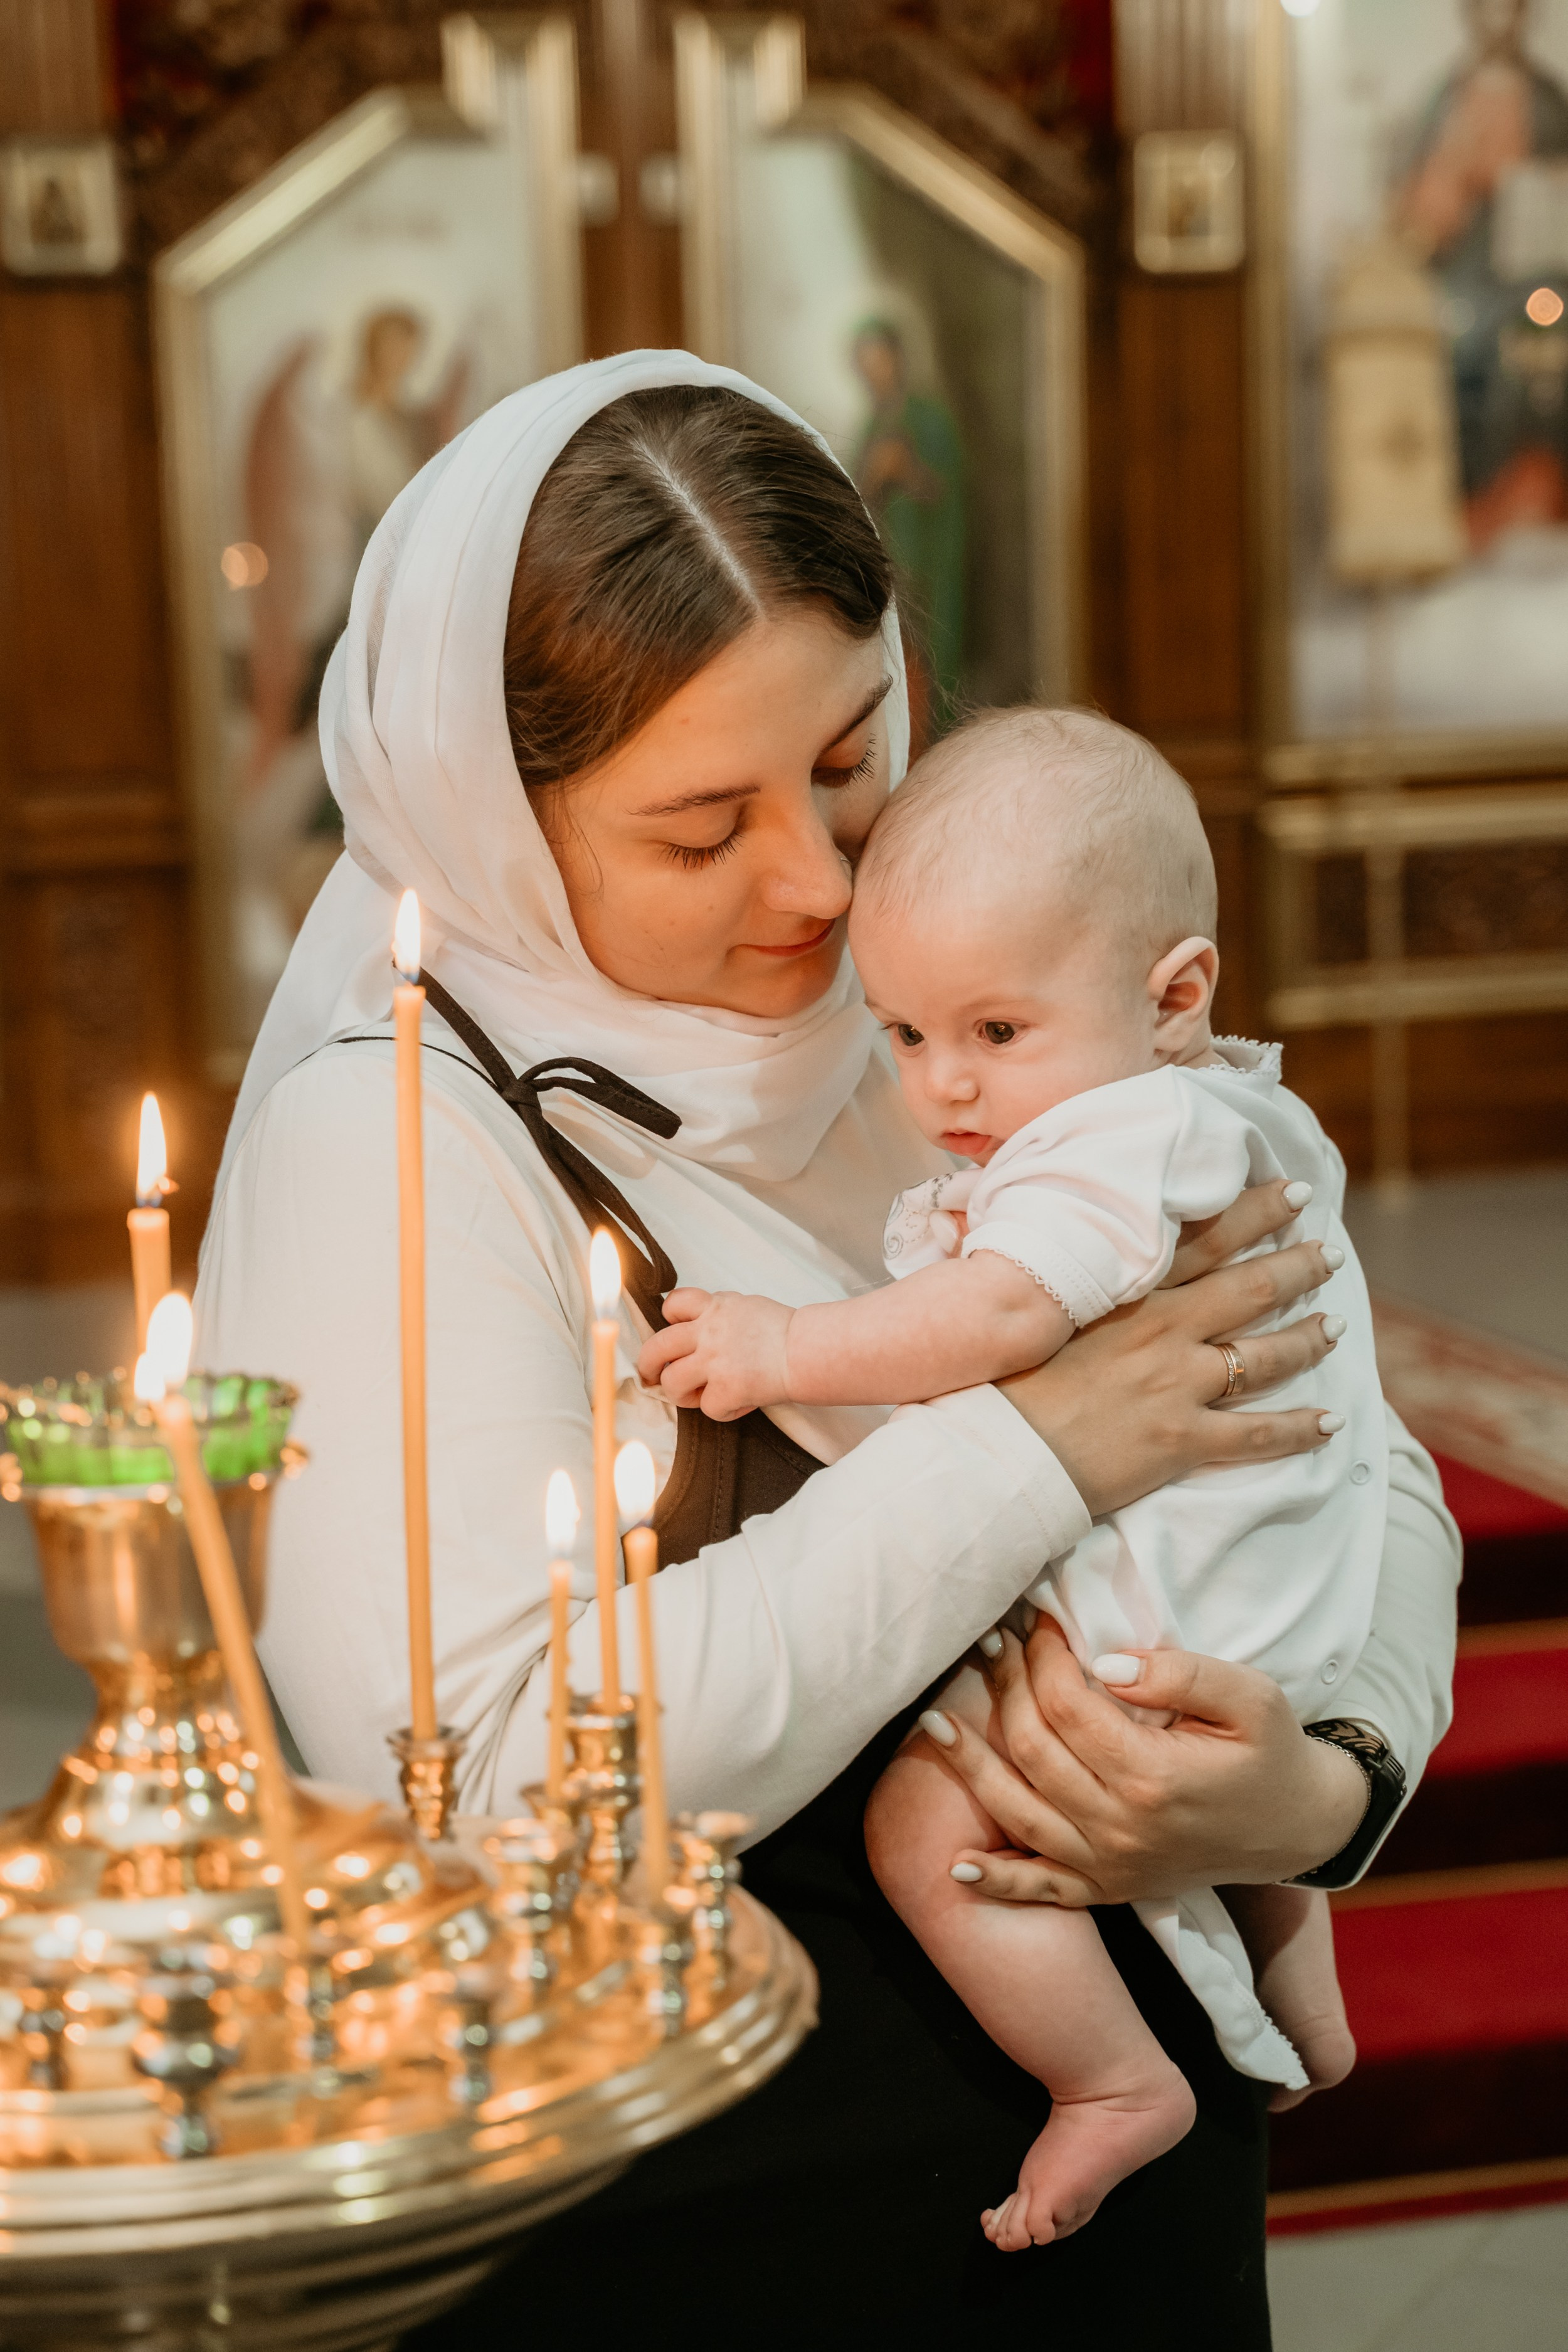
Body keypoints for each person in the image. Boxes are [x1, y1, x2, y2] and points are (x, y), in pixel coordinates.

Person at [195, 352, 1459, 2343]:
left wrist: (1320, 1781)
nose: (820, 883)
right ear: (497, 817)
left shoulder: (966, 992)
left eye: (854, 761)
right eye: (704, 831)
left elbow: (1337, 1424)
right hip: (731, 2200)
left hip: (1142, 2177)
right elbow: (488, 1768)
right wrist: (1036, 1443)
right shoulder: (395, 1143)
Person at [641, 704, 1375, 2250]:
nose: (940, 1090)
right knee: (1229, 1807)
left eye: (992, 1032)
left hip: (1162, 1619)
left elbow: (993, 1317)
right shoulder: (1217, 1112)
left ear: (1173, 995)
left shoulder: (1116, 1137)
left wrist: (783, 1348)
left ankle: (1112, 2083)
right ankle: (1294, 1967)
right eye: (904, 1033)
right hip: (1269, 1604)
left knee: (928, 1830)